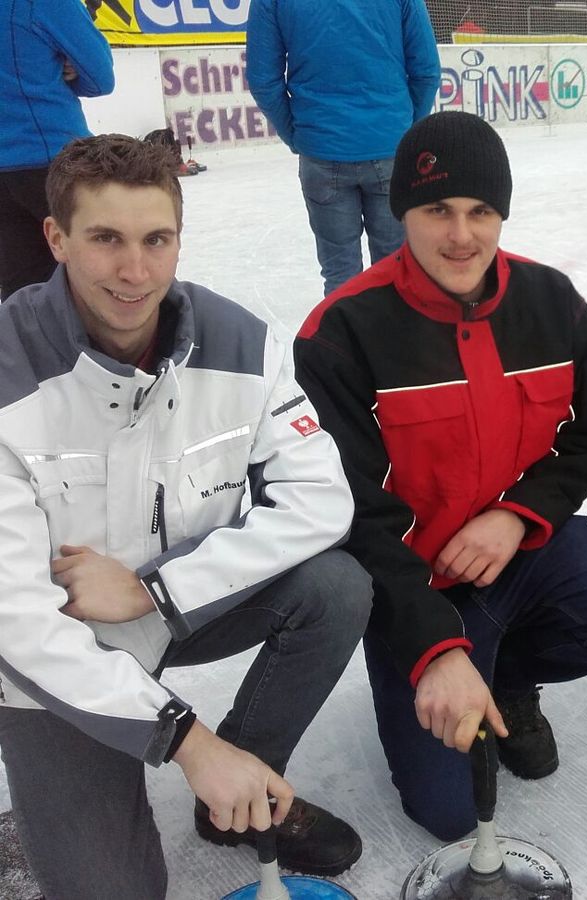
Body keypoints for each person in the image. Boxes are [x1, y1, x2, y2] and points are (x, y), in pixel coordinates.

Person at [0, 134, 373, 898]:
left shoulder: (243, 342)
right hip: (51, 657)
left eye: (156, 240)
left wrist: (155, 590)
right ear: (57, 238)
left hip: (168, 610)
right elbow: (16, 623)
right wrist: (186, 739)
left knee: (336, 588)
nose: (135, 271)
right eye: (106, 239)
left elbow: (321, 499)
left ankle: (242, 789)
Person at [294, 110, 587, 842]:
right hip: (412, 584)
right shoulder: (342, 331)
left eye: (481, 211)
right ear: (402, 211)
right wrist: (433, 646)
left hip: (521, 552)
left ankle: (509, 680)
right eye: (438, 210)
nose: (462, 234)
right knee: (451, 813)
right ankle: (441, 665)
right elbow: (351, 511)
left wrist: (517, 515)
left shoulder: (554, 302)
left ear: (501, 213)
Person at [246, 0, 441, 296]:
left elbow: (263, 81)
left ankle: (345, 328)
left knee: (340, 276)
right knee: (396, 270)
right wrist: (403, 131)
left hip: (321, 149)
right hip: (389, 146)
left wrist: (297, 135)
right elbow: (426, 72)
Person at [0, 0, 114, 300]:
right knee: (116, 271)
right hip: (54, 160)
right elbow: (101, 78)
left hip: (6, 172)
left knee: (23, 297)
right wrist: (68, 67)